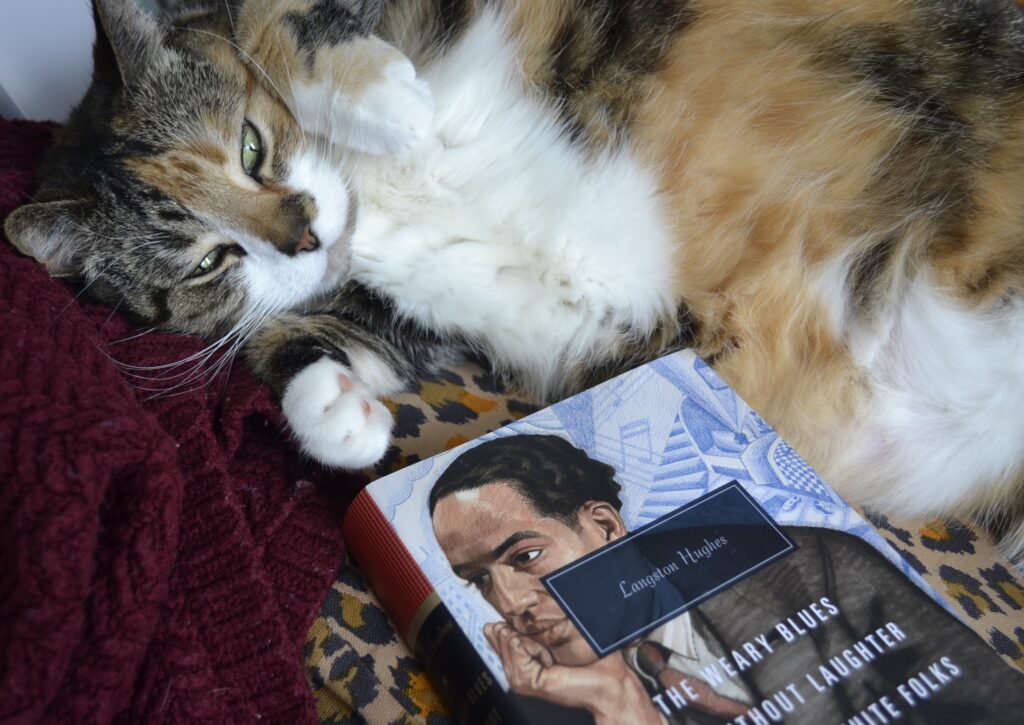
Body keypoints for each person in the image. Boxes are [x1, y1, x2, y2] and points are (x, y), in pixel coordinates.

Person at [429, 435, 1024, 725]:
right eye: (478, 581)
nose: (510, 605)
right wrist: (615, 701)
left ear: (605, 527)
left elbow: (995, 703)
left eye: (526, 557)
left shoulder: (809, 565)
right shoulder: (545, 702)